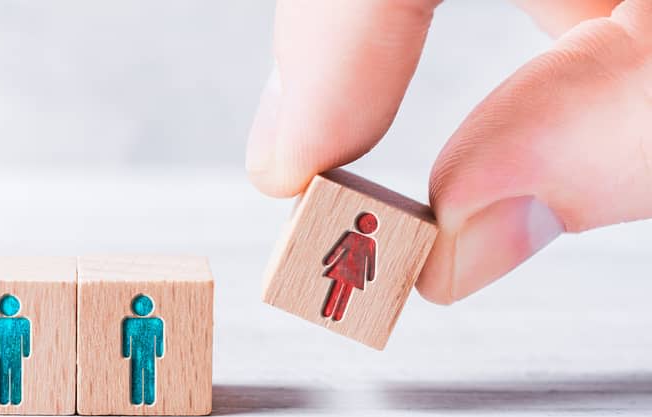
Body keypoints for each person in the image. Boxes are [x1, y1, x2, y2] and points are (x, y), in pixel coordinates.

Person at [246, 0, 652, 303]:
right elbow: (350, 257)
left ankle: (335, 309)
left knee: (338, 298)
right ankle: (334, 309)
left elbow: (359, 260)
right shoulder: (363, 239)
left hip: (345, 272)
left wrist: (345, 265)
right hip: (345, 271)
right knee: (336, 299)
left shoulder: (364, 240)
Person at [323, 212, 378, 322]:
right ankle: (330, 312)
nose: (367, 226)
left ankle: (336, 314)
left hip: (352, 269)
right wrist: (329, 260)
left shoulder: (369, 243)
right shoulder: (353, 237)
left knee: (345, 291)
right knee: (339, 288)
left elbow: (371, 260)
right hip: (349, 268)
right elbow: (340, 248)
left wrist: (371, 275)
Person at [122, 294, 165, 406]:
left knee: (144, 373)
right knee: (142, 373)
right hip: (141, 354)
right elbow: (127, 338)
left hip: (142, 353)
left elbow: (159, 338)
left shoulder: (132, 323)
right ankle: (143, 398)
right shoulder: (155, 323)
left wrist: (126, 352)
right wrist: (159, 352)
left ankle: (144, 398)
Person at [0, 293, 31, 406]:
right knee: (5, 375)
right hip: (5, 354)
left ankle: (14, 399)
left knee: (14, 375)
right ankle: (6, 398)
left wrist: (26, 352)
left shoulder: (22, 322)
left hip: (13, 354)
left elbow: (26, 338)